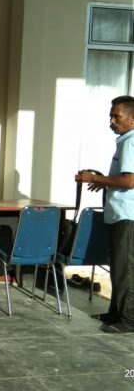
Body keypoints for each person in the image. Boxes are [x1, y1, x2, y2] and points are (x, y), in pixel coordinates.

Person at [76, 95, 134, 334]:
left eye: (116, 117)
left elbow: (129, 181)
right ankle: (115, 313)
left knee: (125, 270)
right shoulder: (125, 140)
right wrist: (103, 181)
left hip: (127, 215)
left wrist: (94, 178)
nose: (111, 121)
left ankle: (128, 320)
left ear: (132, 119)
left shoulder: (131, 142)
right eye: (111, 116)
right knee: (118, 266)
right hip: (119, 214)